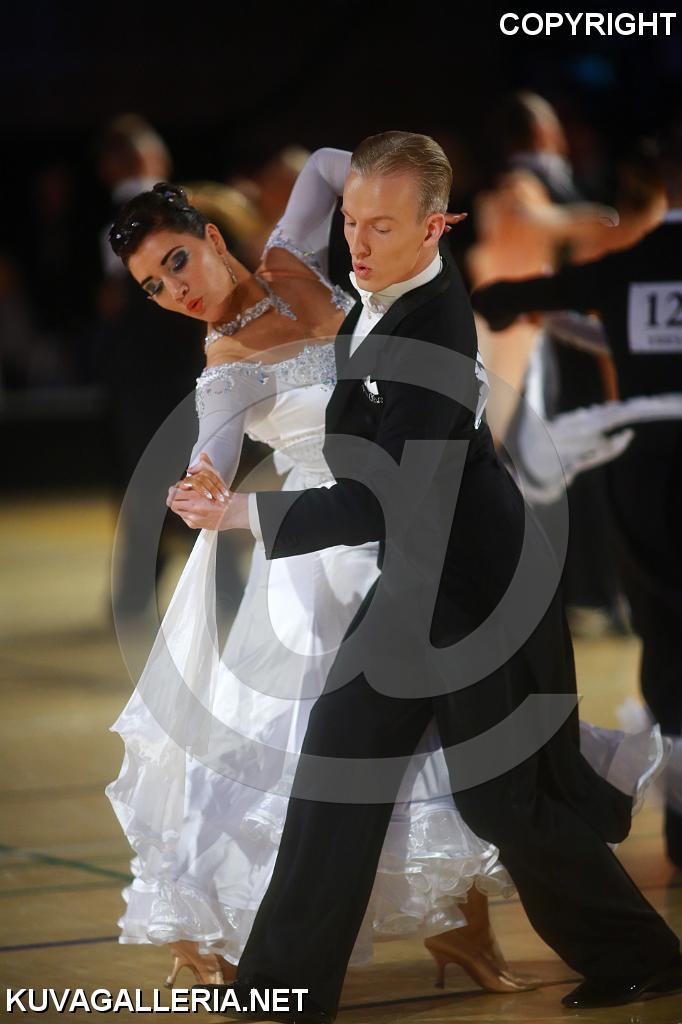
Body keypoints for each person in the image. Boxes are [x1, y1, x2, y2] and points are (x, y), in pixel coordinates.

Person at [178, 131, 681, 1019]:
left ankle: (643, 955)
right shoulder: (381, 291)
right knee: (337, 767)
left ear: (437, 227)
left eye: (381, 227)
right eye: (351, 222)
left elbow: (387, 496)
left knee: (502, 803)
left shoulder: (435, 336)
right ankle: (279, 993)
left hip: (478, 592)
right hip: (417, 583)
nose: (358, 243)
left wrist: (245, 514)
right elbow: (326, 169)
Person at [106, 148, 545, 996]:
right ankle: (250, 934)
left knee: (444, 728)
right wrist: (200, 483)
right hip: (323, 561)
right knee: (314, 756)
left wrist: (404, 196)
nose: (175, 290)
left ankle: (463, 928)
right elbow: (211, 454)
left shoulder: (293, 257)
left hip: (408, 526)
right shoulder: (224, 361)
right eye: (153, 286)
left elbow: (324, 165)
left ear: (210, 236)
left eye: (177, 261)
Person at [472, 127, 682, 875]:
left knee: (663, 630)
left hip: (644, 472)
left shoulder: (628, 267)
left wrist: (553, 315)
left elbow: (502, 299)